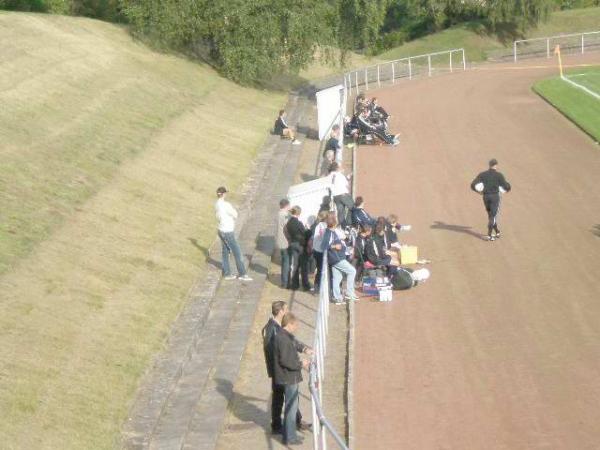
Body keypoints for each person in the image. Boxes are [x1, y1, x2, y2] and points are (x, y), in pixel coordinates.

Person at [262, 301, 312, 435]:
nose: (288, 312)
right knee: (287, 396)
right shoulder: (272, 329)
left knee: (282, 397)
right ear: (280, 312)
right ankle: (285, 424)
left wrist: (303, 348)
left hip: (277, 370)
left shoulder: (273, 327)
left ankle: (282, 424)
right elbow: (277, 350)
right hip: (280, 370)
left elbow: (290, 341)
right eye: (286, 309)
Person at [273, 312, 310, 446]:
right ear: (289, 324)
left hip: (288, 377)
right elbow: (286, 361)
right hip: (288, 378)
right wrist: (302, 364)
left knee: (291, 407)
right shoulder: (283, 339)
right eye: (295, 325)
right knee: (291, 408)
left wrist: (305, 349)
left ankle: (289, 434)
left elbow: (294, 343)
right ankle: (290, 437)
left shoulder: (283, 336)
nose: (297, 328)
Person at [214, 186, 252, 281]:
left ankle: (227, 273)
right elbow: (235, 214)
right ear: (224, 194)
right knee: (237, 252)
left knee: (225, 252)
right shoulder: (226, 205)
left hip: (221, 230)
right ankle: (242, 273)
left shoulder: (217, 204)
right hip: (228, 231)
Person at [470, 158, 512, 241]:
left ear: (489, 165)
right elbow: (506, 186)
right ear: (496, 165)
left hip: (485, 197)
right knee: (493, 216)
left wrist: (479, 192)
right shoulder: (499, 175)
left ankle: (497, 231)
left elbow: (472, 184)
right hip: (495, 197)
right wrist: (507, 189)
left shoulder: (483, 174)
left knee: (490, 215)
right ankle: (489, 235)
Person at [322, 215, 358, 304]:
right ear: (334, 223)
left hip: (336, 257)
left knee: (337, 278)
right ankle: (349, 292)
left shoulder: (332, 232)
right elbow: (323, 246)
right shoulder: (328, 233)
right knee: (352, 271)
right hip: (337, 258)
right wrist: (334, 246)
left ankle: (337, 297)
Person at [285, 206, 312, 291]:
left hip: (292, 243)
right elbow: (305, 233)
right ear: (299, 213)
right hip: (300, 245)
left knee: (295, 265)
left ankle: (295, 284)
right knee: (303, 266)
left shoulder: (289, 223)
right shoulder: (299, 223)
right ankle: (305, 285)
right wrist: (308, 230)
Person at [309, 210, 330, 290]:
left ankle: (316, 285)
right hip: (321, 250)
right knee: (322, 269)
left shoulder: (317, 225)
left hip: (316, 249)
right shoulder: (325, 226)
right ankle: (319, 286)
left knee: (319, 268)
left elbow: (313, 237)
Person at [328, 162, 353, 229]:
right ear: (336, 168)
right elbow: (346, 184)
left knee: (341, 212)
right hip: (343, 195)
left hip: (336, 197)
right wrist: (348, 177)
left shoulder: (329, 176)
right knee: (352, 207)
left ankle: (343, 227)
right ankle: (349, 223)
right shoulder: (339, 175)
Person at [277, 199, 291, 288]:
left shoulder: (279, 213)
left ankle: (284, 281)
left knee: (283, 262)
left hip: (280, 241)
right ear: (286, 205)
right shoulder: (285, 215)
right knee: (286, 262)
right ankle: (285, 282)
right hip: (285, 241)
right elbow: (287, 228)